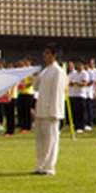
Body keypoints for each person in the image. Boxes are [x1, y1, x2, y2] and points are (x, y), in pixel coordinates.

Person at [33, 46, 68, 176]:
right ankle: (40, 165)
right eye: (44, 53)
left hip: (51, 111)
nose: (44, 56)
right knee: (41, 140)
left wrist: (55, 111)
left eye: (47, 53)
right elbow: (36, 88)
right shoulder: (45, 70)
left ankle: (49, 167)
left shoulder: (58, 71)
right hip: (41, 109)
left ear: (54, 55)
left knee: (51, 140)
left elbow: (57, 93)